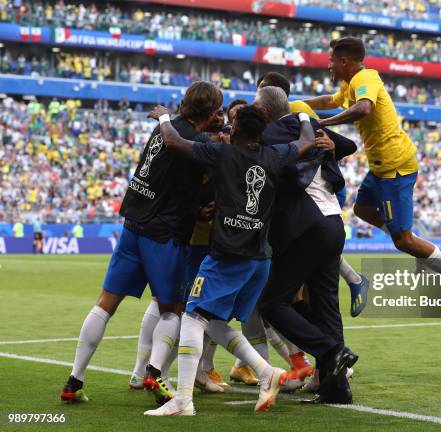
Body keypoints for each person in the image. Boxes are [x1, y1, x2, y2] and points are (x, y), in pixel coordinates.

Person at [144, 98, 320, 416]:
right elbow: (307, 141)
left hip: (227, 255)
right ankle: (267, 373)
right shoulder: (274, 154)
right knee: (215, 324)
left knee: (193, 316)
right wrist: (305, 115)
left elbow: (172, 141)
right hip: (259, 259)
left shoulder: (222, 154)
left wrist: (165, 116)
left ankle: (183, 400)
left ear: (235, 128)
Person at [60, 81, 225, 405]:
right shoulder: (191, 139)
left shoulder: (166, 127)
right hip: (163, 233)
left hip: (133, 224)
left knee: (105, 303)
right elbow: (190, 175)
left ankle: (73, 380)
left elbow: (171, 179)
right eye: (217, 109)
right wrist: (198, 210)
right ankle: (154, 374)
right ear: (207, 112)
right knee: (172, 309)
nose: (220, 115)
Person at [303, 37, 441, 291]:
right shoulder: (350, 84)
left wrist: (323, 124)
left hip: (395, 167)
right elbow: (329, 101)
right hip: (381, 166)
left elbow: (364, 108)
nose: (329, 65)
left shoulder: (365, 79)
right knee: (363, 211)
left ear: (345, 61)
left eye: (332, 60)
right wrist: (298, 105)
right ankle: (411, 241)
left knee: (404, 242)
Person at [256, 86, 358, 404]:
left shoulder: (273, 130)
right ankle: (336, 388)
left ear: (265, 112)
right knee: (327, 309)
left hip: (307, 225)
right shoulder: (308, 125)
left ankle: (332, 351)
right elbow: (348, 144)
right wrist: (325, 141)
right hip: (332, 222)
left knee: (272, 302)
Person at [257, 71, 370, 318]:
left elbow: (323, 138)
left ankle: (350, 285)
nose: (257, 97)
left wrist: (327, 141)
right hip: (315, 192)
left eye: (261, 91)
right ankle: (323, 337)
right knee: (309, 280)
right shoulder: (292, 112)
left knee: (300, 279)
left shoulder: (294, 109)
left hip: (316, 191)